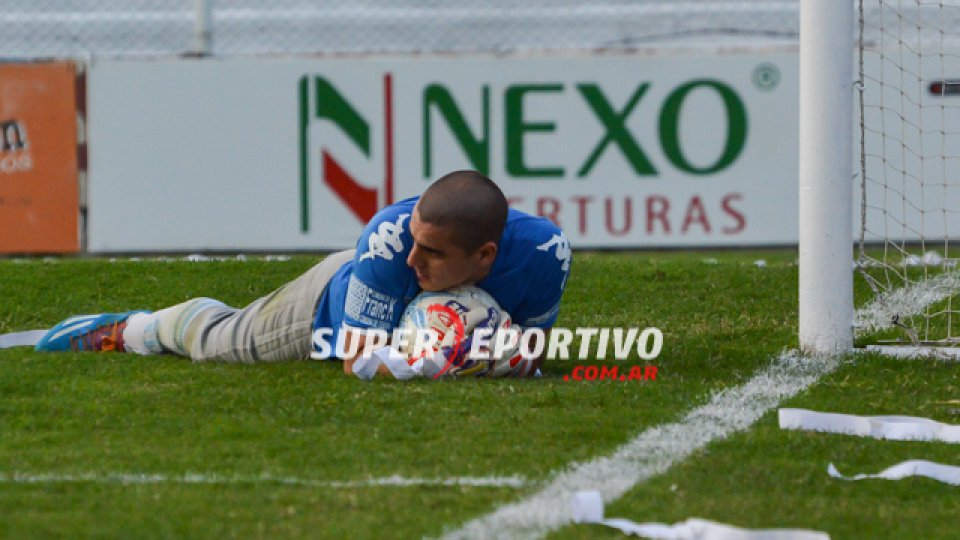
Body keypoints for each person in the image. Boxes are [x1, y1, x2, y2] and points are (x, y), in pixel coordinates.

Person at [33, 170, 572, 378]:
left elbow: (529, 351)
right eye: (416, 241)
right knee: (218, 341)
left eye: (432, 253)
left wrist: (503, 358)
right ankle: (129, 330)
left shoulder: (545, 253)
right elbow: (357, 362)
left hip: (393, 299)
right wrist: (442, 361)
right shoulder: (391, 243)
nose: (415, 259)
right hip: (330, 303)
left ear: (486, 256)